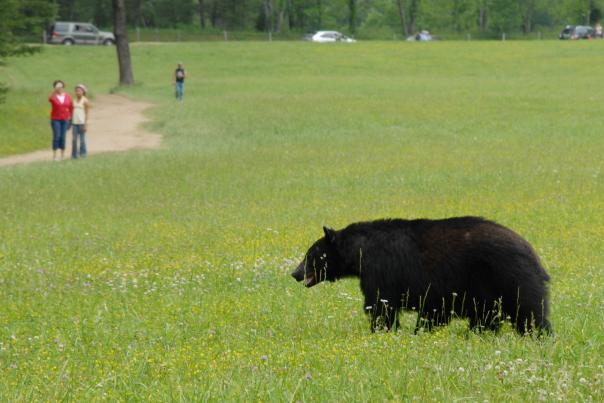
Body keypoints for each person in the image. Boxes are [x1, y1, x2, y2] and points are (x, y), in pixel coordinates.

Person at [48, 80, 73, 161]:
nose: (60, 88)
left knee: (63, 137)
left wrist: (71, 119)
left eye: (61, 86)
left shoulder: (67, 96)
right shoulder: (53, 96)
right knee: (57, 136)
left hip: (65, 119)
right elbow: (50, 98)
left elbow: (71, 107)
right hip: (55, 119)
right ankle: (55, 156)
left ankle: (62, 155)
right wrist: (54, 91)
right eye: (58, 86)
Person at [71, 84, 89, 159]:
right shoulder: (74, 100)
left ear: (83, 91)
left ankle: (83, 153)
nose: (78, 92)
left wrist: (85, 124)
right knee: (74, 140)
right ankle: (74, 155)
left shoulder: (85, 100)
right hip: (74, 123)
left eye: (80, 90)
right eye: (77, 91)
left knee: (82, 140)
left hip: (81, 123)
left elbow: (86, 113)